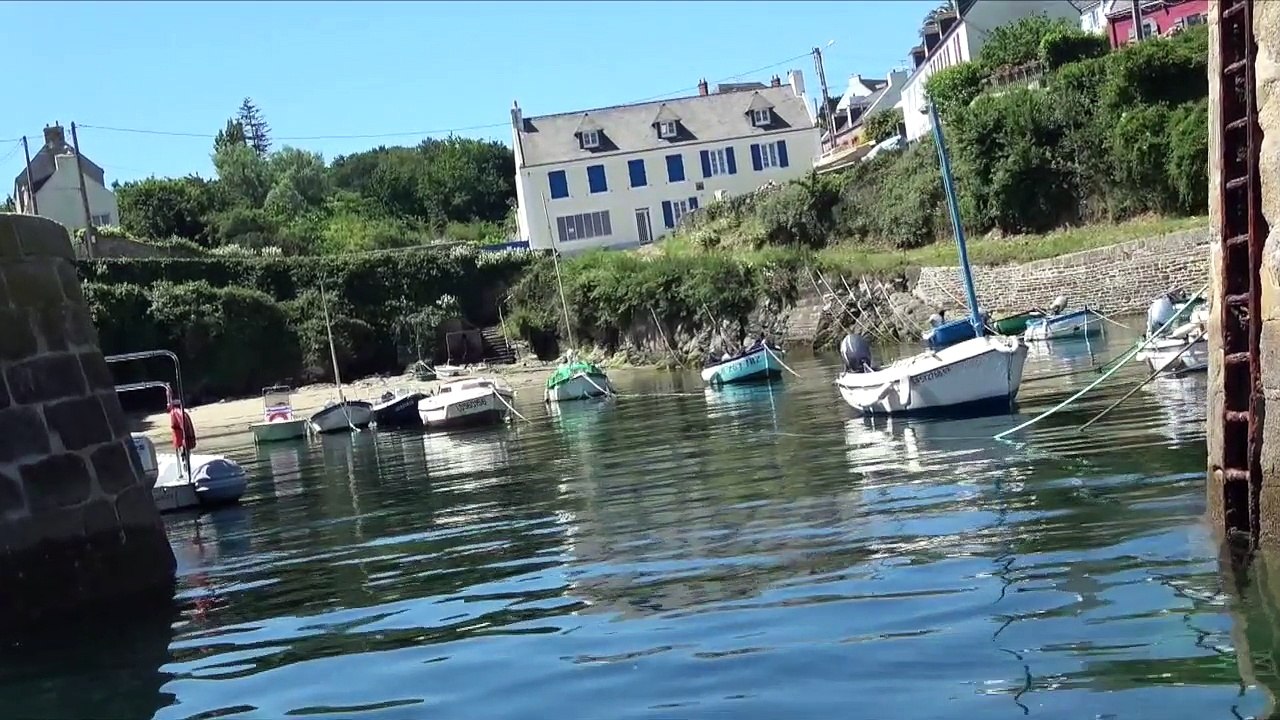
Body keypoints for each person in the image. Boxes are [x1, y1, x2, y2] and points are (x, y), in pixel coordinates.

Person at [169, 399, 197, 479]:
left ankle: (186, 469)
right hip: (182, 437)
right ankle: (186, 468)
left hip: (182, 437)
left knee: (184, 453)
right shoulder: (180, 413)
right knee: (185, 454)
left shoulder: (176, 413)